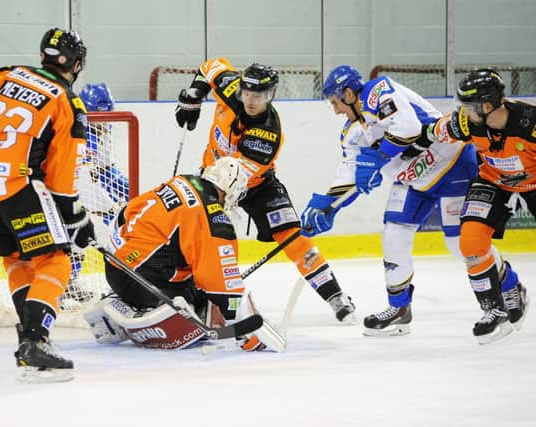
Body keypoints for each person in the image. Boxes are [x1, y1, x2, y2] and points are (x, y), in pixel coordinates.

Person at [0, 27, 93, 382]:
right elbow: (62, 174)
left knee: (16, 259)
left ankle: (29, 338)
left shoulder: (7, 74)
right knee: (55, 259)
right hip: (16, 185)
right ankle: (36, 341)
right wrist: (77, 220)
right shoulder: (66, 99)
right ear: (75, 63)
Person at [173, 58, 356, 323]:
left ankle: (335, 295)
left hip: (255, 185)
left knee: (292, 236)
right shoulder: (230, 86)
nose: (250, 100)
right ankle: (186, 290)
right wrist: (194, 96)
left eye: (259, 95)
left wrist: (218, 205)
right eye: (247, 93)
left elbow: (236, 178)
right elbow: (211, 66)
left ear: (271, 95)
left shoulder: (268, 133)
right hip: (212, 178)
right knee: (193, 233)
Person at [300, 65, 478, 336]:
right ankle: (399, 310)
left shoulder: (377, 91)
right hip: (414, 181)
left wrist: (379, 157)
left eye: (335, 102)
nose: (335, 110)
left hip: (452, 163)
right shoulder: (352, 133)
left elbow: (408, 127)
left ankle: (507, 288)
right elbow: (349, 173)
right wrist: (326, 205)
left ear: (349, 93)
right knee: (393, 235)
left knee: (459, 244)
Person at [84, 157, 286, 352]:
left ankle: (122, 301)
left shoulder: (179, 182)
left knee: (185, 270)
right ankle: (142, 311)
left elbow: (125, 213)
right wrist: (247, 329)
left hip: (113, 266)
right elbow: (220, 283)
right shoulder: (214, 218)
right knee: (201, 301)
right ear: (232, 192)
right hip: (141, 283)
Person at [423, 69, 531, 344]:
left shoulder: (530, 124)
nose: (463, 112)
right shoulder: (466, 123)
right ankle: (493, 309)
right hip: (492, 183)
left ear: (487, 105)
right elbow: (432, 131)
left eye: (468, 107)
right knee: (470, 243)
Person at [61, 82, 129, 305]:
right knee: (73, 238)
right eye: (102, 114)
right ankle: (62, 284)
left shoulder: (103, 128)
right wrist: (110, 205)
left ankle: (69, 283)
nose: (107, 120)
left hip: (89, 194)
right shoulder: (80, 134)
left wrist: (127, 189)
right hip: (67, 195)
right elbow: (83, 178)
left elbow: (105, 168)